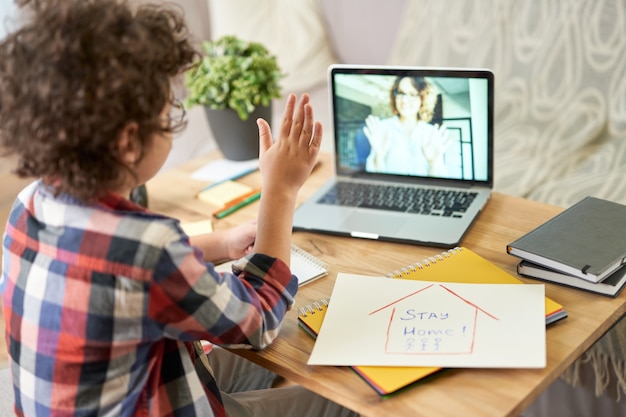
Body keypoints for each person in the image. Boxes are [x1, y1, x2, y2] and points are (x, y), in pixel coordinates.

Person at [0, 1, 358, 416]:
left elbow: (112, 261)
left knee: (257, 361)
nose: (174, 117)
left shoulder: (28, 208)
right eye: (168, 111)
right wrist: (280, 189)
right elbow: (258, 321)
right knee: (339, 398)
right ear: (130, 142)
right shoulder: (149, 249)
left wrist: (222, 241)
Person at [362, 76, 459, 178]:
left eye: (412, 94)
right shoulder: (382, 128)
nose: (404, 100)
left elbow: (440, 185)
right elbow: (374, 179)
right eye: (400, 93)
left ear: (423, 98)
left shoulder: (431, 133)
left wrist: (434, 163)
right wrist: (379, 156)